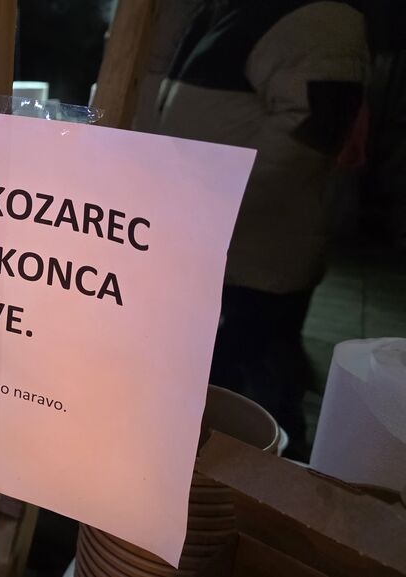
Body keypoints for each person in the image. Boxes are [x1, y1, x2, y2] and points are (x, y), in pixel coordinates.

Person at [153, 0, 369, 458]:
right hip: (218, 238)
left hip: (257, 251)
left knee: (260, 386)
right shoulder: (236, 11)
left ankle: (275, 487)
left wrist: (218, 198)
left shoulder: (316, 16)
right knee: (223, 374)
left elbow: (309, 132)